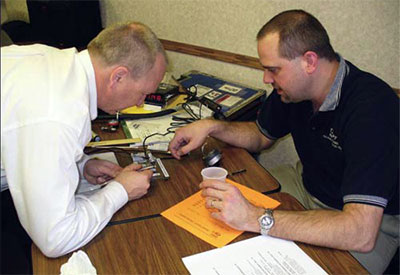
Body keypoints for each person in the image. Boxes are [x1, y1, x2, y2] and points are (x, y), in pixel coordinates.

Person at [169, 10, 399, 274]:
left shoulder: (374, 110)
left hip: (370, 221)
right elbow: (260, 136)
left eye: (273, 69)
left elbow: (360, 233)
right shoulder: (291, 90)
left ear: (309, 61)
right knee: (220, 207)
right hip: (306, 185)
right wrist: (212, 126)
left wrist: (257, 218)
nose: (266, 79)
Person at [1, 21, 167, 273]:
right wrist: (120, 190)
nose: (141, 104)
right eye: (143, 94)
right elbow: (55, 238)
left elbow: (22, 139)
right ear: (118, 76)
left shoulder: (54, 61)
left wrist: (81, 164)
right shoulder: (57, 114)